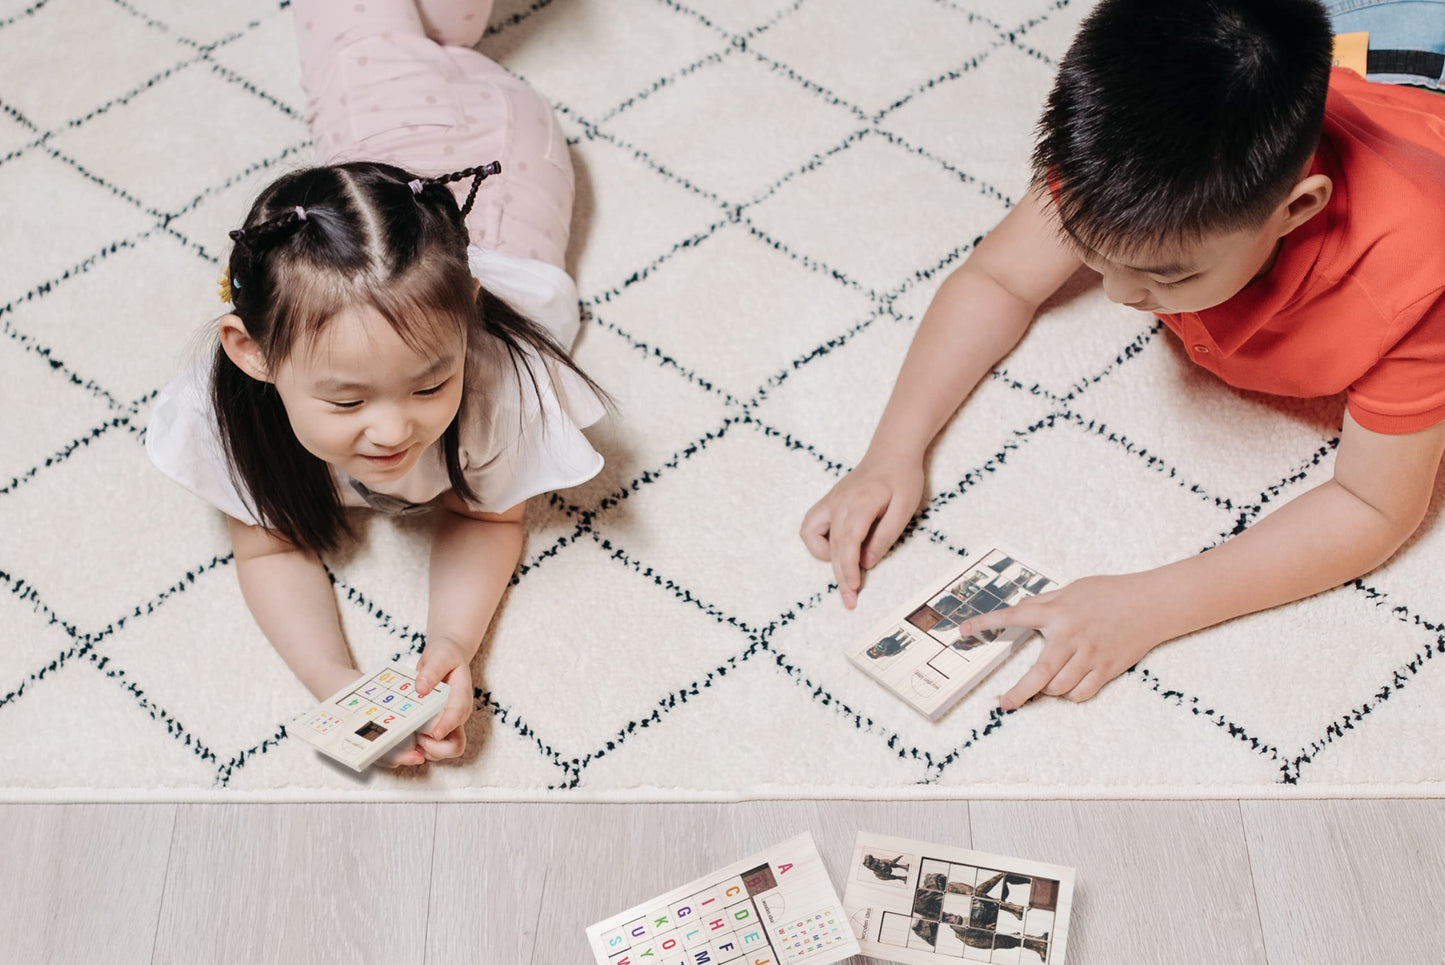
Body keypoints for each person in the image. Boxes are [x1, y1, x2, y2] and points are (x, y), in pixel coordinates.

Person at [800, 0, 1445, 711]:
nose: (1114, 294)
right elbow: (997, 277)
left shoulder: (1417, 274)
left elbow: (1372, 506)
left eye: (1167, 275)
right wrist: (890, 451)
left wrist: (1149, 605)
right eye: (1088, 251)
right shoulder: (1117, 163)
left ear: (1296, 208)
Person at [146, 0, 605, 765]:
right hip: (392, 162)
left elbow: (489, 517)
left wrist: (453, 644)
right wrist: (334, 682)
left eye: (428, 387)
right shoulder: (223, 404)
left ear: (466, 325)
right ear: (250, 351)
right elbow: (268, 548)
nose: (393, 431)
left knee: (376, 43)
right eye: (348, 401)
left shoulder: (499, 385)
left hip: (501, 147)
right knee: (377, 44)